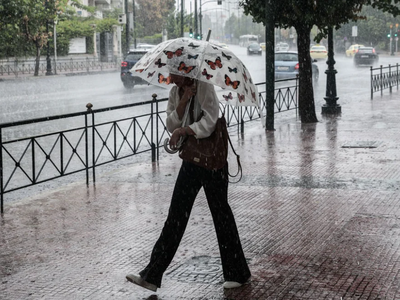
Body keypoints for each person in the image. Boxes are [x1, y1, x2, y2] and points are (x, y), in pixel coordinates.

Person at [126, 73, 251, 292]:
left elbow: (211, 120)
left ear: (184, 70)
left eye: (173, 72)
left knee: (221, 214)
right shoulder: (176, 91)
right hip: (192, 159)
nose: (169, 77)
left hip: (212, 160)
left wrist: (185, 129)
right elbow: (171, 123)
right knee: (176, 216)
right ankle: (152, 275)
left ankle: (238, 273)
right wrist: (183, 101)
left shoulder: (204, 86)